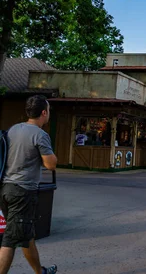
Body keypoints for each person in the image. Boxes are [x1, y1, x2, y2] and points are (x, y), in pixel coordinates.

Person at [0, 95, 58, 274]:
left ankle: (40, 272)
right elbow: (51, 164)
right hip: (23, 192)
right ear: (43, 112)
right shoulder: (40, 135)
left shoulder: (13, 129)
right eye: (48, 111)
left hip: (5, 189)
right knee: (10, 239)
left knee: (26, 235)